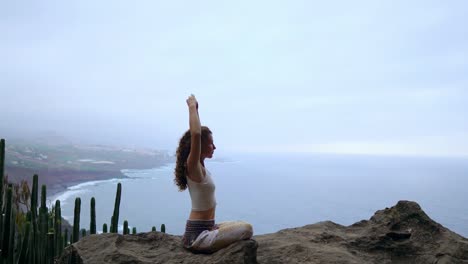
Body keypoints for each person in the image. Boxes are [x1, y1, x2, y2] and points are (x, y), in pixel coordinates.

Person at [174, 94, 253, 253]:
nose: (214, 147)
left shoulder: (200, 167)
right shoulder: (193, 167)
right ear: (200, 146)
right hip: (198, 236)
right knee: (247, 228)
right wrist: (191, 108)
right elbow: (196, 134)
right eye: (211, 143)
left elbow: (198, 134)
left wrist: (197, 111)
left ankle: (212, 231)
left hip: (208, 227)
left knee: (238, 223)